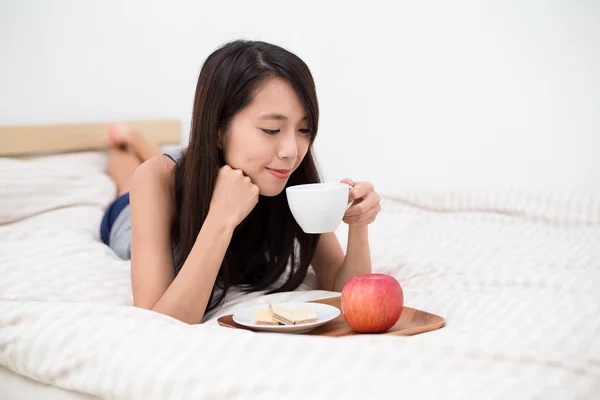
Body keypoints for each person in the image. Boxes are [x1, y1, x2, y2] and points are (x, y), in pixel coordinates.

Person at [100, 40, 382, 324]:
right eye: (271, 130)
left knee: (180, 165)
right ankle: (128, 141)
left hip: (199, 166)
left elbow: (342, 286)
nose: (292, 151)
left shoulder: (288, 174)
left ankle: (137, 140)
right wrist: (221, 218)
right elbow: (159, 322)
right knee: (127, 182)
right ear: (217, 129)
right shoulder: (153, 179)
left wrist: (359, 226)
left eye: (304, 129)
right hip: (128, 216)